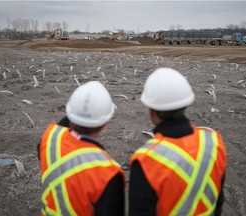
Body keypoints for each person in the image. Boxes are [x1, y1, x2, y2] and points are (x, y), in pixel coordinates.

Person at [129, 68, 227, 216]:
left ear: (151, 110)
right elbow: (218, 201)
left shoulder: (146, 160)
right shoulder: (213, 142)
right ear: (186, 105)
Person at [39, 81, 125, 216]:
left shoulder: (49, 138)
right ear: (104, 123)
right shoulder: (109, 173)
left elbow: (60, 128)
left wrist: (79, 110)